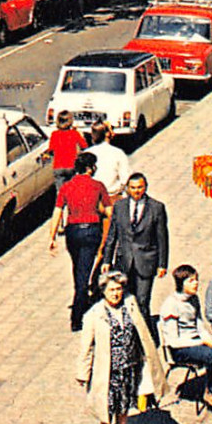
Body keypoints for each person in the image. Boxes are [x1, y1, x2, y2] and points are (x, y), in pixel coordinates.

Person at [77, 270, 166, 424]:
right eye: (111, 290)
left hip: (129, 368)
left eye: (118, 289)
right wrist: (83, 372)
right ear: (103, 291)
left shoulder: (130, 304)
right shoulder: (94, 314)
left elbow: (142, 333)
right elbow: (86, 346)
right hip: (107, 372)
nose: (116, 293)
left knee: (124, 407)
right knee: (106, 408)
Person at [159, 265, 212, 413]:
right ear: (181, 283)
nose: (195, 283)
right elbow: (173, 341)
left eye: (196, 280)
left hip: (195, 343)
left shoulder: (193, 299)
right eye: (191, 281)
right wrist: (204, 343)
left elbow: (200, 326)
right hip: (180, 349)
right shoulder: (171, 305)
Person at [49, 152, 112, 330]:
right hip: (91, 231)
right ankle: (78, 317)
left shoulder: (67, 187)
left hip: (73, 232)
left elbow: (57, 212)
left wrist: (52, 236)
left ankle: (80, 297)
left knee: (78, 268)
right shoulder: (98, 186)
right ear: (90, 168)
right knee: (84, 273)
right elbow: (109, 211)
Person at [101, 172, 169, 331]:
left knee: (142, 301)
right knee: (124, 299)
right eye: (133, 188)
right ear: (128, 189)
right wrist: (106, 259)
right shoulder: (120, 207)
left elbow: (162, 238)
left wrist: (162, 264)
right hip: (124, 261)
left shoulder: (156, 208)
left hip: (146, 261)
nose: (137, 191)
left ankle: (145, 338)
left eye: (140, 188)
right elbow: (113, 235)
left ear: (145, 188)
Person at [85, 121, 129, 198]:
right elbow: (125, 179)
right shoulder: (118, 153)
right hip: (111, 196)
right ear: (107, 134)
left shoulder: (86, 153)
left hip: (90, 196)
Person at [47, 112, 87, 192]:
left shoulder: (54, 134)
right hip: (71, 165)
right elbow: (84, 146)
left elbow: (51, 150)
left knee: (60, 192)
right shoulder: (74, 133)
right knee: (72, 191)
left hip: (58, 166)